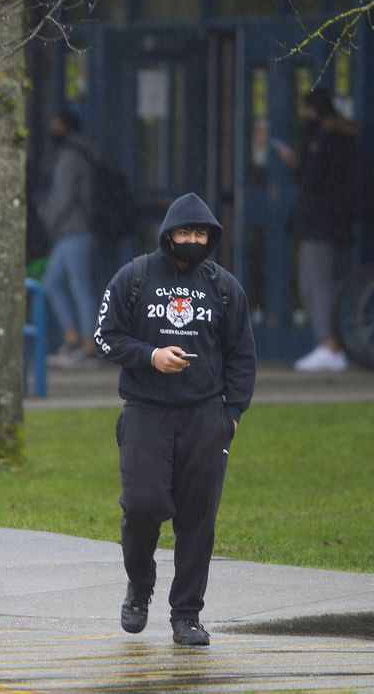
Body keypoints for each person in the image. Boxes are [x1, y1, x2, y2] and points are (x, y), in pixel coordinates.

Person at [94, 192, 257, 646]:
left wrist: (232, 414)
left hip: (206, 416)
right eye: (184, 232)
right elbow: (105, 338)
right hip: (146, 412)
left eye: (200, 233)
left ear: (211, 238)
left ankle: (187, 614)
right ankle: (139, 586)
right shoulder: (135, 277)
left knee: (197, 519)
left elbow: (242, 354)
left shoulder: (224, 287)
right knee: (142, 506)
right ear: (168, 236)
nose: (192, 240)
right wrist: (150, 356)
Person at [274, 88, 360, 372]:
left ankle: (330, 345)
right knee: (326, 285)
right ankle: (335, 343)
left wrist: (299, 162)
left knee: (315, 284)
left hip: (320, 224)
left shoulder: (323, 139)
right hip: (339, 223)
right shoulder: (346, 139)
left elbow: (314, 177)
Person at [39, 112, 100, 368]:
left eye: (55, 125)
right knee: (52, 282)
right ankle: (73, 338)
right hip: (72, 232)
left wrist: (47, 220)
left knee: (79, 287)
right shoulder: (84, 152)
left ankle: (88, 345)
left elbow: (64, 197)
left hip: (75, 230)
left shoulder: (71, 156)